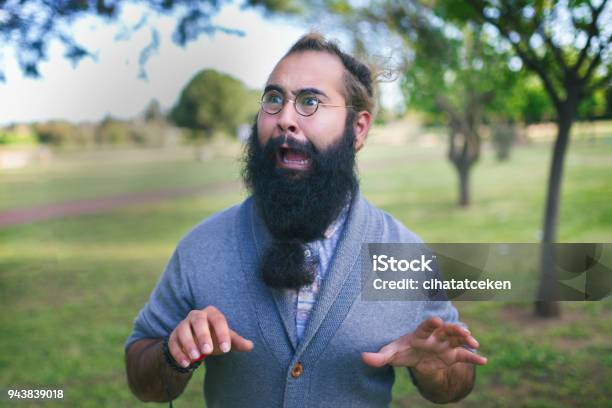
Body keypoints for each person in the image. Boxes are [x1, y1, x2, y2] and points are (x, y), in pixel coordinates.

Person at [125, 32, 487, 407]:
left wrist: (436, 370)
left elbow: (456, 382)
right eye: (274, 99)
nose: (284, 119)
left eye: (310, 101)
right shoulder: (201, 248)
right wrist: (172, 353)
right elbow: (143, 379)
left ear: (358, 129)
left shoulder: (403, 253)